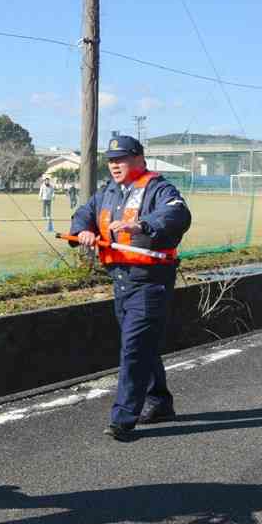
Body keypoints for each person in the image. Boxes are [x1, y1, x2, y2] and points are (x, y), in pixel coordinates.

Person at [66, 135, 191, 441]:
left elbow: (178, 214)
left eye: (120, 159)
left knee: (133, 348)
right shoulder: (109, 191)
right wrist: (82, 229)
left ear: (139, 159)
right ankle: (159, 401)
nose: (114, 166)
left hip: (150, 281)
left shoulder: (159, 188)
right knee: (142, 345)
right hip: (121, 279)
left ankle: (123, 419)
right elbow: (86, 211)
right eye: (111, 161)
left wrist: (143, 224)